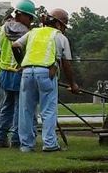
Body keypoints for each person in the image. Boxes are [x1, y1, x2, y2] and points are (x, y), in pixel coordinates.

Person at [13, 8, 79, 153]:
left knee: (26, 110)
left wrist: (21, 63)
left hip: (27, 72)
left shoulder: (33, 32)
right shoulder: (60, 37)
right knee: (48, 110)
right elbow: (66, 63)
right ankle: (49, 144)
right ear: (59, 24)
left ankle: (26, 145)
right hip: (47, 72)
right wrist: (72, 84)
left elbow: (15, 45)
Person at [0, 0, 39, 148]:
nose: (31, 22)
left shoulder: (2, 29)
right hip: (20, 72)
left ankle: (0, 138)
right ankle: (16, 139)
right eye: (30, 18)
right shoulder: (26, 33)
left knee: (7, 106)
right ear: (23, 15)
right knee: (21, 107)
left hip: (4, 72)